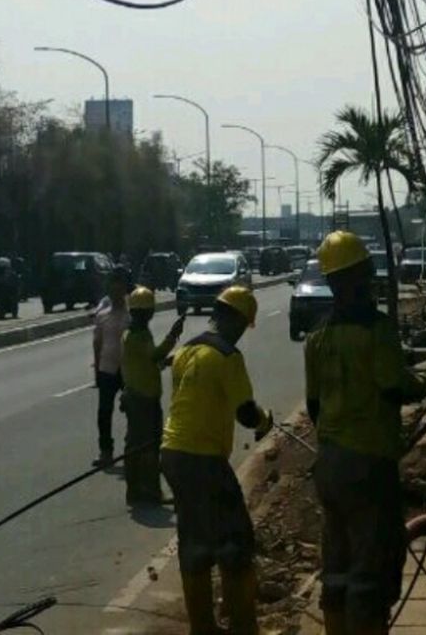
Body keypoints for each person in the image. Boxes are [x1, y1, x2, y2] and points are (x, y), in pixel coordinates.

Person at [305, 231, 426, 635]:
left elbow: (314, 406)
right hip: (369, 464)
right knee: (373, 566)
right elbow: (395, 387)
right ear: (357, 277)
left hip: (330, 464)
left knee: (337, 563)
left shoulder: (316, 336)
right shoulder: (377, 329)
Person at [160, 286, 273, 635]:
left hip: (173, 454)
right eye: (243, 325)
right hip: (204, 459)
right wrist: (265, 420)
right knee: (236, 541)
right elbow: (245, 413)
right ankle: (243, 626)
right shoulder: (227, 356)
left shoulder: (185, 351)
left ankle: (203, 626)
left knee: (194, 539)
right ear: (237, 320)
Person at [121, 285, 185, 506]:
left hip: (139, 394)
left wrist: (166, 361)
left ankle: (138, 491)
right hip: (142, 398)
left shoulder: (135, 332)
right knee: (147, 446)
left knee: (137, 445)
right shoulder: (136, 336)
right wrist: (173, 336)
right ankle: (149, 492)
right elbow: (154, 355)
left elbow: (149, 362)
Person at [92, 267, 132, 467]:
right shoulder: (102, 316)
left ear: (125, 290)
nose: (116, 293)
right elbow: (97, 344)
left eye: (119, 289)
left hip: (128, 371)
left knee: (133, 411)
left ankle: (132, 450)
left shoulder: (132, 317)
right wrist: (96, 370)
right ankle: (105, 451)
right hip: (107, 369)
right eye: (112, 289)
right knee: (104, 412)